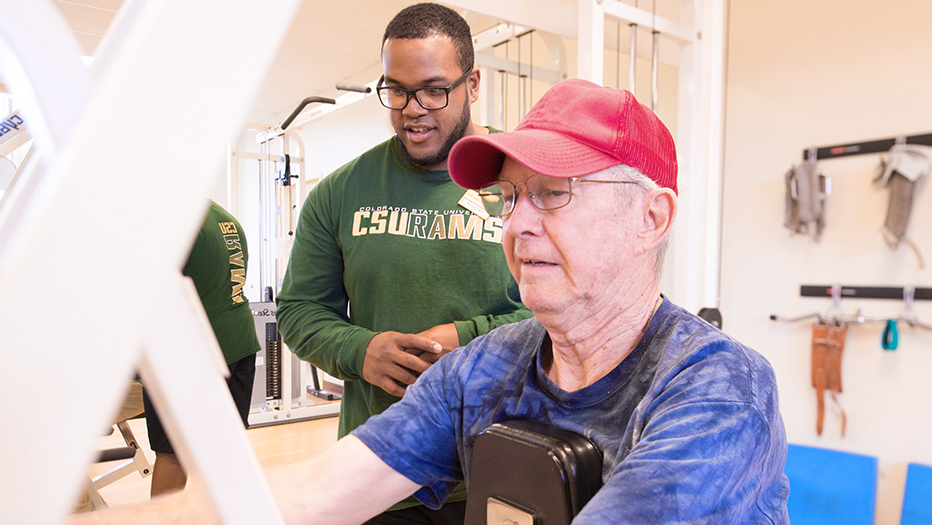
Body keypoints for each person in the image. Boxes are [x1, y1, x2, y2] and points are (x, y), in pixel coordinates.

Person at [70, 79, 789, 525]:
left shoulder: (718, 389)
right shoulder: (487, 368)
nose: (517, 224)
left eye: (554, 193)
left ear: (652, 218)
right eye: (510, 196)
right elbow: (312, 492)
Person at [274, 3, 530, 522]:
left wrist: (470, 337)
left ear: (473, 83)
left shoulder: (526, 180)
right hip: (381, 470)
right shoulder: (341, 192)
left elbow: (569, 313)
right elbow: (299, 311)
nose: (413, 108)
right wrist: (362, 349)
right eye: (396, 90)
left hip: (504, 468)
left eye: (434, 89)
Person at [141, 200, 260, 496]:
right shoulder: (223, 217)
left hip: (193, 347)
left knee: (173, 454)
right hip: (239, 340)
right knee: (226, 450)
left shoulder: (172, 219)